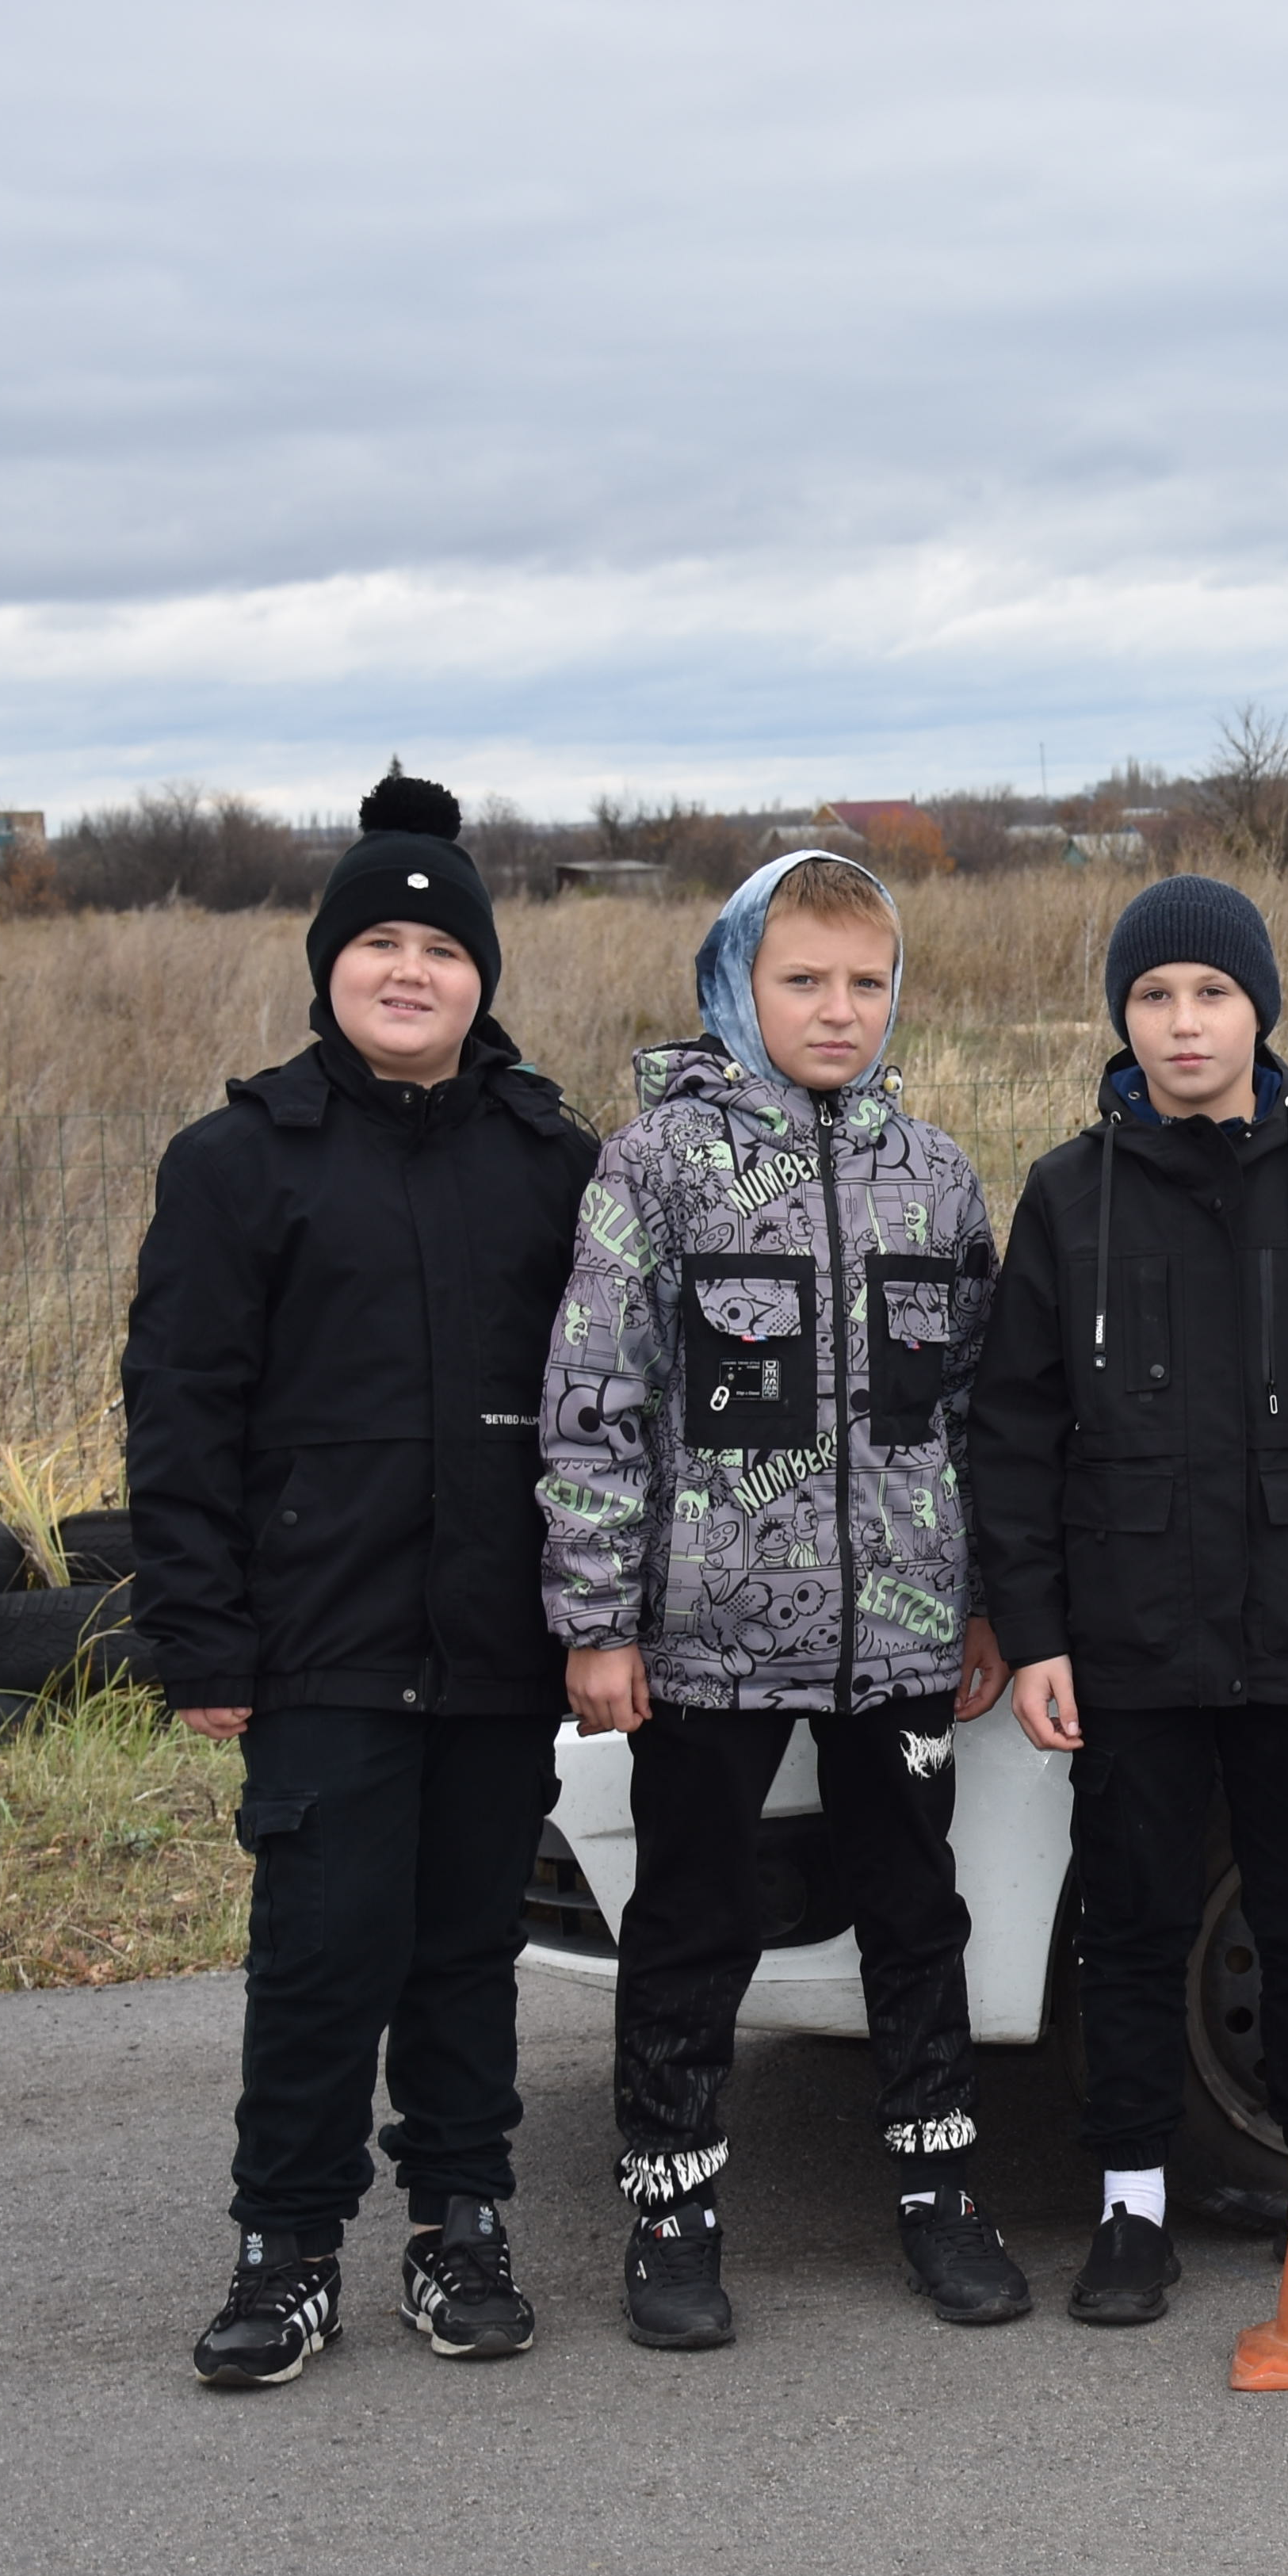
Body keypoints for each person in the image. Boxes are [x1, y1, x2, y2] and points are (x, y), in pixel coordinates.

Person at [126, 766, 602, 2387]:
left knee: (465, 1947)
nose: (413, 971)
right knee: (325, 1946)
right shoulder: (238, 1161)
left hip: (493, 1635)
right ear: (330, 966)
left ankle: (461, 2225)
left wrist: (598, 1616)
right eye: (380, 945)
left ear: (483, 977)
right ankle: (287, 2246)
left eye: (443, 949)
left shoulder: (552, 1159)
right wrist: (200, 1634)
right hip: (320, 1638)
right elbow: (180, 1411)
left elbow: (610, 1408)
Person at [537, 848, 1026, 2349]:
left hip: (900, 1636)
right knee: (692, 1919)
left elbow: (976, 1413)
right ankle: (673, 2214)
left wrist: (985, 1601)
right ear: (737, 981)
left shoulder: (934, 1175)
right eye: (803, 980)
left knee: (914, 1914)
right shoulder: (655, 1169)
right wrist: (600, 1620)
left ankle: (942, 2199)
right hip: (706, 1641)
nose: (839, 1010)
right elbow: (596, 1401)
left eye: (867, 983)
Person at [964, 876, 1288, 2329]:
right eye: (1156, 997)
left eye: (1212, 995)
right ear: (1122, 1019)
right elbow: (1013, 1439)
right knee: (1131, 1926)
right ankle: (1130, 2209)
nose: (1185, 1024)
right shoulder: (1068, 1193)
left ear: (1260, 1012)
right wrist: (1038, 1633)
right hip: (1130, 1647)